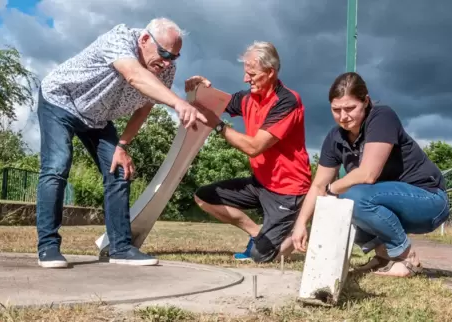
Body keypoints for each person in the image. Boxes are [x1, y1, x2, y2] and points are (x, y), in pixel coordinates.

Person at [36, 18, 207, 268]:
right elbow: (134, 76)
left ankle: (121, 248)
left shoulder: (165, 68)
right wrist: (179, 103)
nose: (168, 62)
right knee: (57, 165)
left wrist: (122, 146)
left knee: (119, 171)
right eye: (164, 53)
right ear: (145, 40)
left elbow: (145, 108)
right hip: (60, 102)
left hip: (98, 118)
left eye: (174, 57)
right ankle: (48, 247)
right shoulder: (118, 39)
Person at [291, 72, 449, 277]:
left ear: (365, 101)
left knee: (351, 196)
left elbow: (368, 174)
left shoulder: (382, 117)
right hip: (389, 204)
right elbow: (318, 186)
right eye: (336, 110)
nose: (343, 116)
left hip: (429, 200)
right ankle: (383, 255)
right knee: (341, 203)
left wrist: (333, 190)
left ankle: (407, 258)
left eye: (350, 108)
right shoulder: (334, 138)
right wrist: (301, 224)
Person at [185, 41, 312, 263]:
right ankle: (257, 234)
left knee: (264, 258)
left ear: (270, 72)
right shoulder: (247, 98)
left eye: (251, 74)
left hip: (288, 189)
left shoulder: (287, 101)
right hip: (260, 183)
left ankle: (302, 219)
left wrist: (218, 125)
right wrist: (198, 88)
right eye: (245, 73)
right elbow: (215, 102)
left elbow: (254, 147)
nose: (246, 79)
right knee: (203, 197)